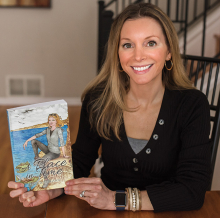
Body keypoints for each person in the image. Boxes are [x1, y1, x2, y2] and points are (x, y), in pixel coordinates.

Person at [8, 3, 211, 212]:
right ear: (117, 54)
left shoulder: (192, 105)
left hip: (171, 213)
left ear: (169, 51)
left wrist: (116, 199)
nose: (138, 56)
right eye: (127, 45)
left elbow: (192, 191)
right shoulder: (99, 100)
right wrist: (51, 189)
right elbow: (81, 159)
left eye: (151, 43)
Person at [23, 113, 68, 188]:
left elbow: (62, 142)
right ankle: (36, 157)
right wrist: (27, 140)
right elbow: (38, 135)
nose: (51, 121)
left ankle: (46, 179)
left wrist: (64, 154)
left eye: (53, 120)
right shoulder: (47, 130)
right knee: (33, 141)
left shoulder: (58, 130)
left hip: (55, 153)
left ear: (56, 121)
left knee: (41, 162)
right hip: (48, 150)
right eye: (49, 120)